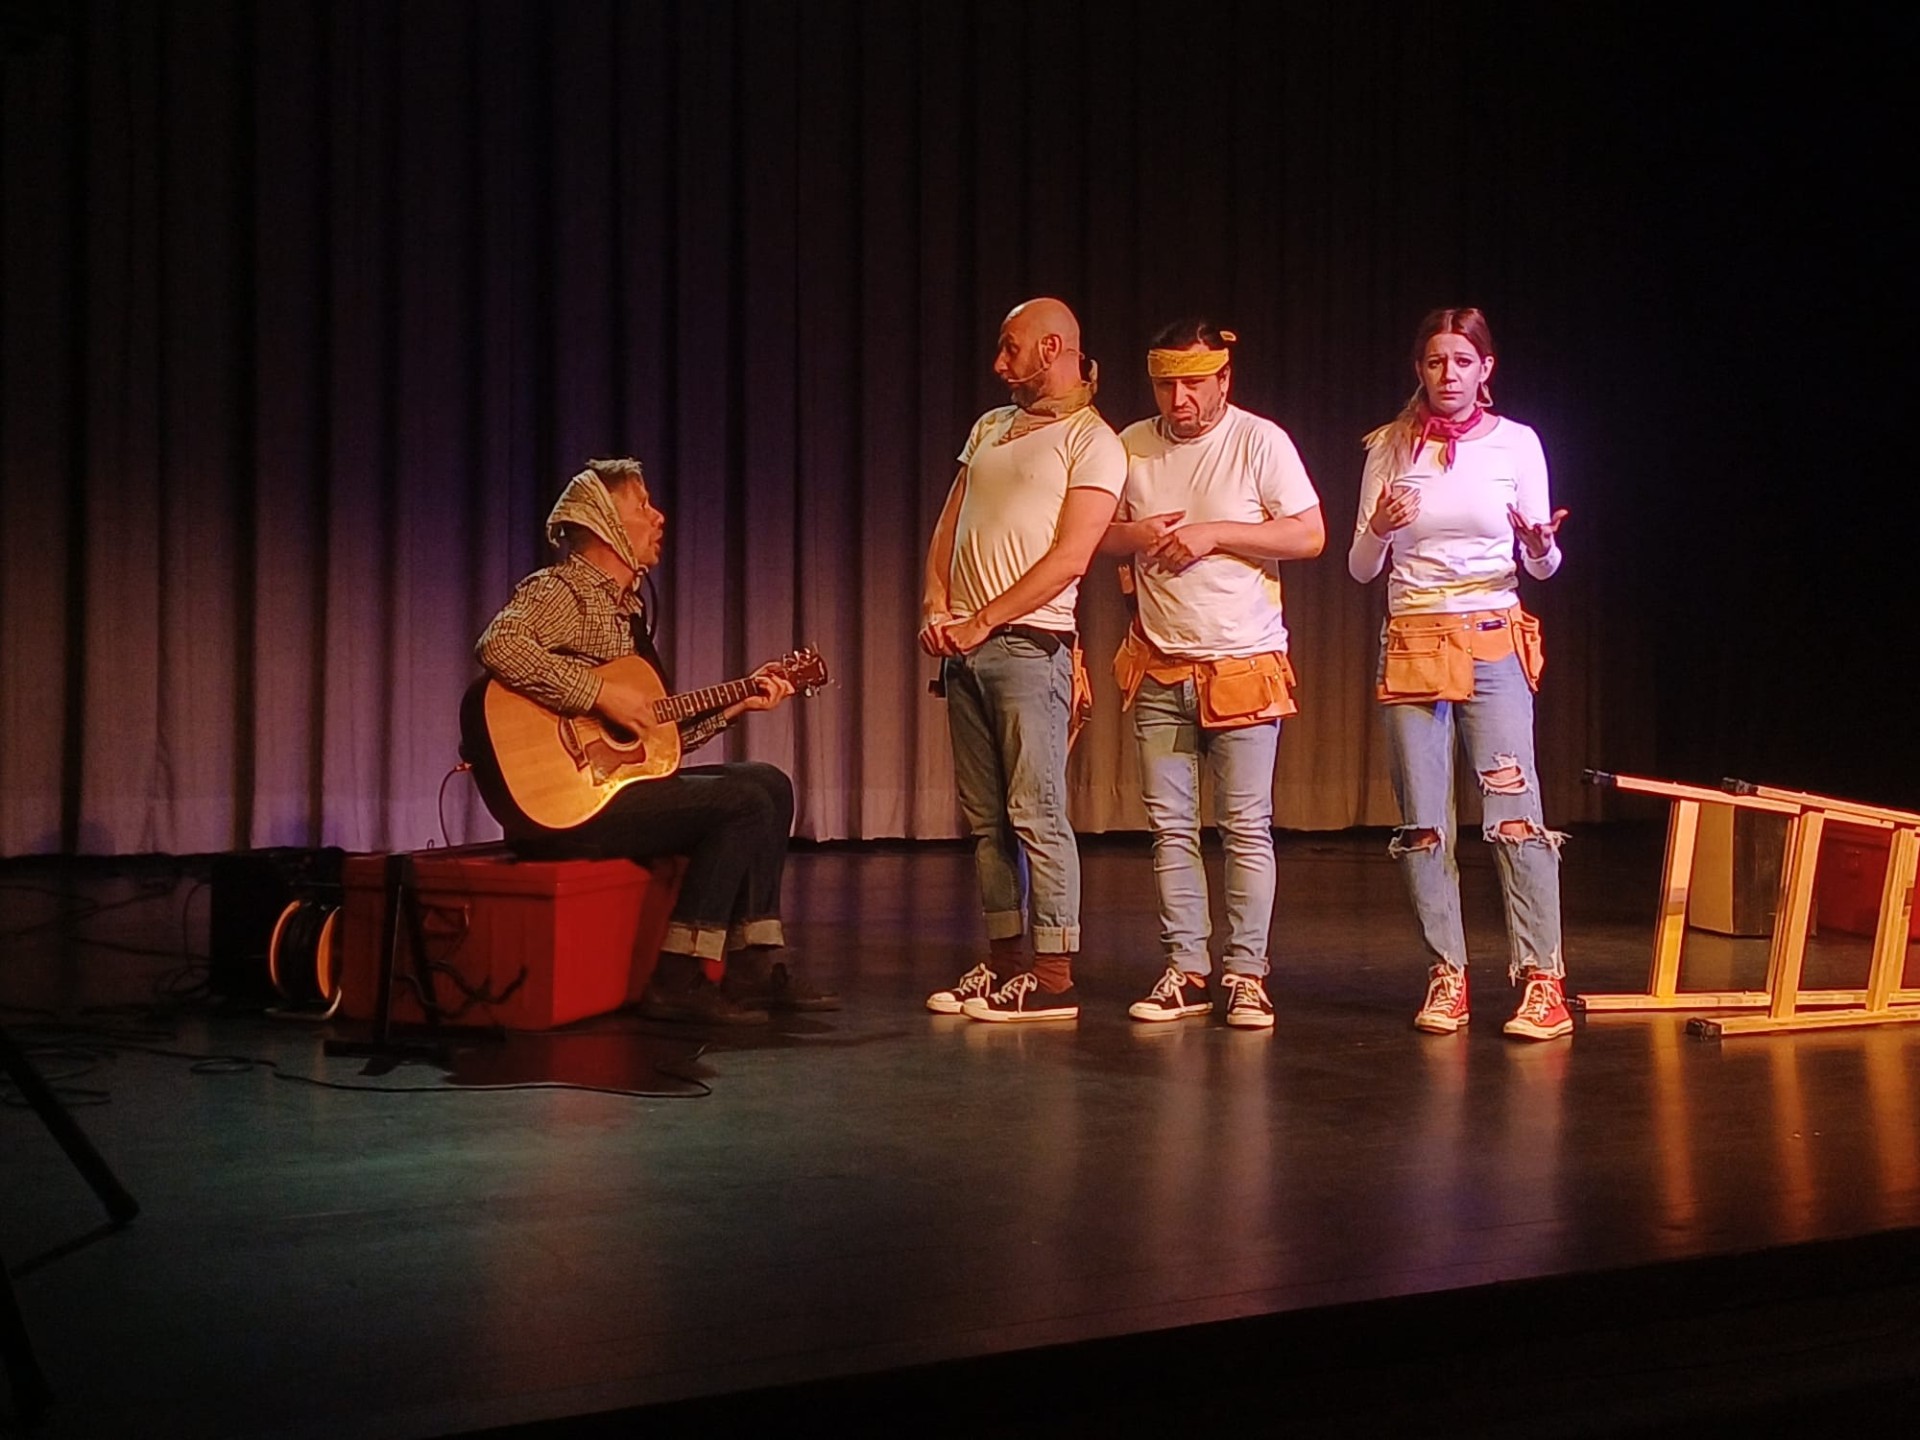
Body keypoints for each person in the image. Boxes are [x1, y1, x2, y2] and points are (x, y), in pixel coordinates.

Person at [469, 458, 836, 1026]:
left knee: (768, 783)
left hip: (611, 793)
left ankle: (753, 960)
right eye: (642, 505)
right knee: (742, 802)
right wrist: (599, 695)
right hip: (566, 810)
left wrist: (738, 702)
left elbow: (652, 744)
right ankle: (677, 976)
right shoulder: (564, 589)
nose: (659, 516)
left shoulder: (627, 615)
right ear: (603, 520)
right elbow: (500, 644)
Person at [1347, 308, 1573, 1041]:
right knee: (1422, 823)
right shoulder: (1390, 445)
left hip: (1490, 636)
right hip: (1415, 639)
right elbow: (1361, 567)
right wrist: (1380, 527)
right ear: (1420, 367)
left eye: (1463, 361)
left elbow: (1545, 564)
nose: (1450, 374)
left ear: (1486, 369)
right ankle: (1447, 973)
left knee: (1513, 812)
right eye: (1437, 361)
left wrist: (1538, 545)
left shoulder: (1517, 443)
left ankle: (1542, 981)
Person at [1102, 320, 1325, 1030]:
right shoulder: (1131, 445)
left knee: (1246, 828)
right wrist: (1135, 536)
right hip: (1160, 666)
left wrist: (1214, 533)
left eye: (1194, 384)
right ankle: (1187, 970)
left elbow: (1309, 534)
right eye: (1166, 385)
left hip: (1243, 665)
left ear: (1224, 379)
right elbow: (1092, 534)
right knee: (1171, 830)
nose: (1180, 399)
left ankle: (1247, 974)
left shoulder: (1260, 441)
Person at [918, 298, 1126, 1022]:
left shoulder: (1093, 440)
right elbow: (951, 520)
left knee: (1036, 811)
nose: (998, 363)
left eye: (1011, 349)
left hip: (1031, 645)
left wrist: (983, 619)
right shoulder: (990, 426)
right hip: (966, 648)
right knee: (986, 819)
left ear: (1051, 349)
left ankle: (1055, 975)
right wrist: (936, 604)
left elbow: (1071, 557)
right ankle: (1006, 961)